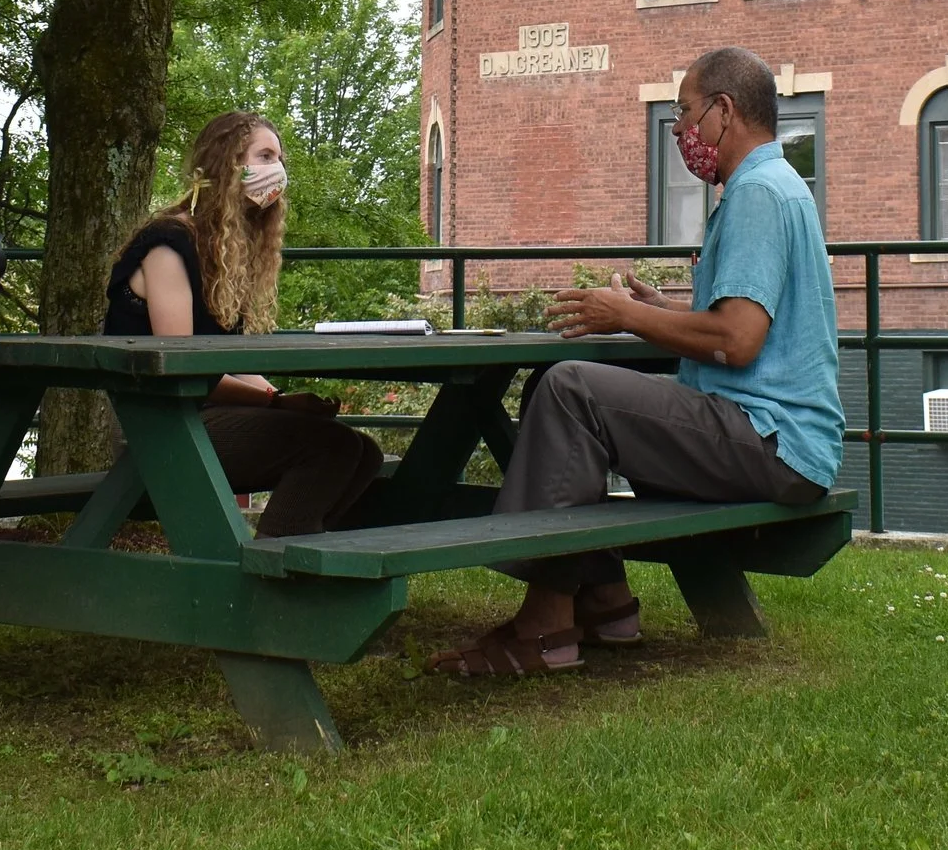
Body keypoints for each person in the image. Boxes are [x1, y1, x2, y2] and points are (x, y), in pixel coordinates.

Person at [428, 47, 841, 675]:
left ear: (723, 111)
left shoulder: (758, 193)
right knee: (558, 385)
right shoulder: (775, 186)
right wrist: (665, 307)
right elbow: (745, 321)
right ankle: (606, 604)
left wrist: (627, 316)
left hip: (771, 441)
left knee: (572, 389)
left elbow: (738, 340)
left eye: (685, 114)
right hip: (770, 437)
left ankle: (545, 629)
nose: (680, 131)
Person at [102, 110, 382, 536]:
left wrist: (278, 395)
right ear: (228, 163)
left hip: (206, 414)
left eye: (280, 158)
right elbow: (183, 365)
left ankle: (319, 566)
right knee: (332, 446)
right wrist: (274, 404)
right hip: (163, 425)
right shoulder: (169, 244)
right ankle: (274, 572)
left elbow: (228, 356)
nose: (278, 169)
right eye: (266, 155)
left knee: (366, 452)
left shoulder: (227, 249)